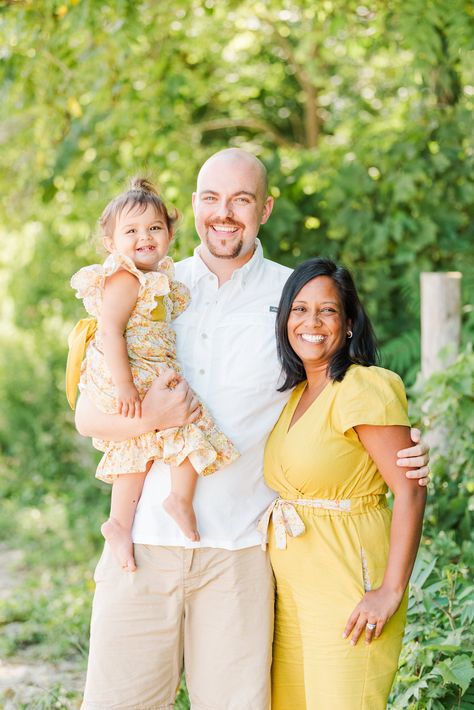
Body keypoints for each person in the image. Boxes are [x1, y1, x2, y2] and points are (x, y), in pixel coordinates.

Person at [75, 148, 430, 710]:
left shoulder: (293, 300)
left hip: (242, 554)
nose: (225, 213)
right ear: (191, 207)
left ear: (264, 209)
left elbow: (338, 395)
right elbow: (88, 415)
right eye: (211, 198)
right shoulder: (146, 286)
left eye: (241, 199)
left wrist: (402, 452)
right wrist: (157, 417)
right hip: (139, 548)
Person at [261, 257, 426, 709]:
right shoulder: (294, 392)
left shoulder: (364, 386)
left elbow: (410, 488)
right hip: (291, 593)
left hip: (348, 587)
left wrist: (390, 589)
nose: (311, 322)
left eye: (328, 311)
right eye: (299, 309)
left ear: (349, 323)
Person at [67, 176, 239, 570]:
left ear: (169, 233)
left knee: (136, 447)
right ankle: (179, 498)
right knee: (188, 417)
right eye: (131, 231)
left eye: (154, 228)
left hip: (144, 368)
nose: (144, 237)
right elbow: (109, 328)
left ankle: (118, 524)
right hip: (128, 372)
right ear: (111, 243)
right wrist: (126, 386)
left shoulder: (158, 276)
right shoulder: (126, 276)